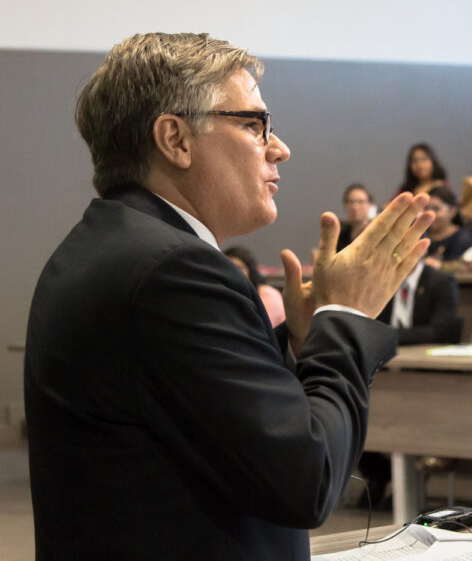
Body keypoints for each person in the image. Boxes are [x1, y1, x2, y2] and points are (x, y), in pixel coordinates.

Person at [24, 32, 434, 559]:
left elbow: (207, 417)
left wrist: (303, 341)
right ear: (176, 139)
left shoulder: (109, 243)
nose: (279, 147)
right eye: (253, 124)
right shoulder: (173, 270)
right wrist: (345, 316)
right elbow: (307, 479)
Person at [363, 258, 461, 506]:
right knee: (359, 409)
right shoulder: (380, 281)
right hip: (383, 368)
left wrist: (392, 336)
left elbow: (442, 331)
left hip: (428, 374)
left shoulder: (440, 281)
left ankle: (410, 480)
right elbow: (368, 324)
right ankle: (380, 474)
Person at [224, 246, 286, 327]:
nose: (232, 273)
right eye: (227, 267)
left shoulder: (268, 295)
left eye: (238, 268)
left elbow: (260, 329)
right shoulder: (227, 292)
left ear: (251, 271)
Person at [423, 186, 472, 266]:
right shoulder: (420, 235)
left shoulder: (463, 238)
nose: (429, 213)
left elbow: (463, 268)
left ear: (452, 211)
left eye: (436, 209)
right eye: (426, 208)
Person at [337, 183, 377, 252]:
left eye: (360, 202)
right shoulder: (340, 236)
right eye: (351, 202)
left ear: (369, 204)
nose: (355, 207)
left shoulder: (375, 234)